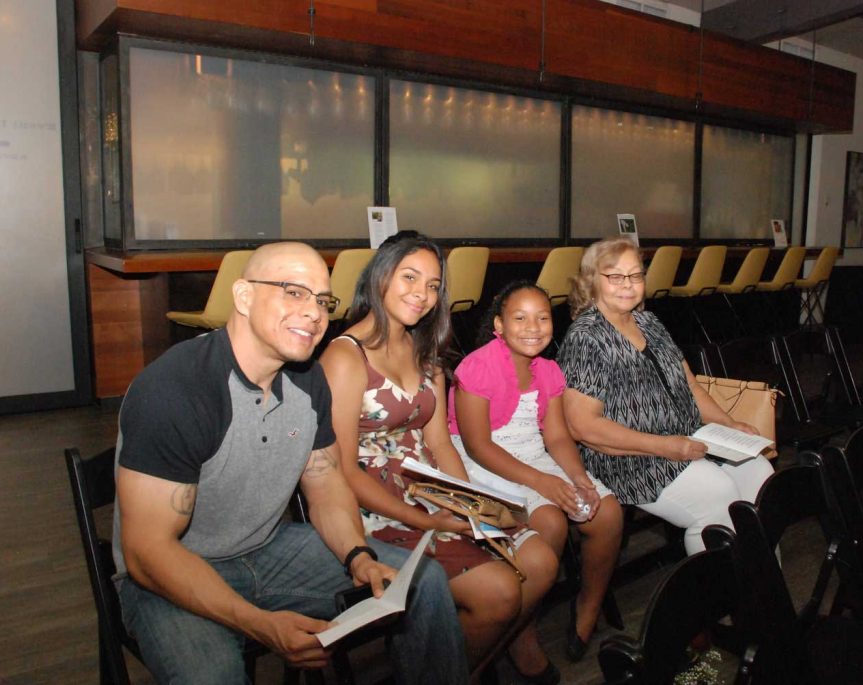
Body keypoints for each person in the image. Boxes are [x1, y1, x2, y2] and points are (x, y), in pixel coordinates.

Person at [112, 241, 469, 684]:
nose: (315, 312)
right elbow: (146, 552)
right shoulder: (176, 389)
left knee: (423, 584)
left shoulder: (307, 381)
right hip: (170, 571)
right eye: (293, 291)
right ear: (243, 297)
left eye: (322, 300)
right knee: (216, 674)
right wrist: (260, 623)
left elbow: (325, 488)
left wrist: (358, 556)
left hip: (268, 549)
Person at [319, 233, 560, 683]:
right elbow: (341, 468)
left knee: (543, 561)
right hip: (373, 506)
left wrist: (471, 503)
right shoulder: (344, 356)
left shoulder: (424, 354)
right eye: (410, 277)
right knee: (501, 592)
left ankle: (452, 668)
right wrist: (427, 519)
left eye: (433, 285)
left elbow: (443, 445)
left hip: (432, 490)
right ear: (379, 276)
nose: (422, 294)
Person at [557, 237, 775, 555]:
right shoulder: (586, 337)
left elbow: (690, 385)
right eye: (615, 276)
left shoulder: (650, 322)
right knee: (718, 493)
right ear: (592, 280)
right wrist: (667, 447)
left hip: (686, 438)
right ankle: (720, 593)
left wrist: (729, 424)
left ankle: (764, 581)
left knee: (759, 473)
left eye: (635, 275)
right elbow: (583, 428)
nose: (628, 284)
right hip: (628, 459)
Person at [448, 280, 623, 662]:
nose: (533, 327)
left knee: (607, 512)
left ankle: (588, 607)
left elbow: (558, 437)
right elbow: (478, 446)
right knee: (550, 520)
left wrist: (577, 476)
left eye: (543, 318)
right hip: (484, 459)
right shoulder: (476, 367)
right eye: (520, 318)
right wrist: (543, 481)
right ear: (499, 325)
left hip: (533, 451)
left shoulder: (548, 370)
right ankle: (522, 631)